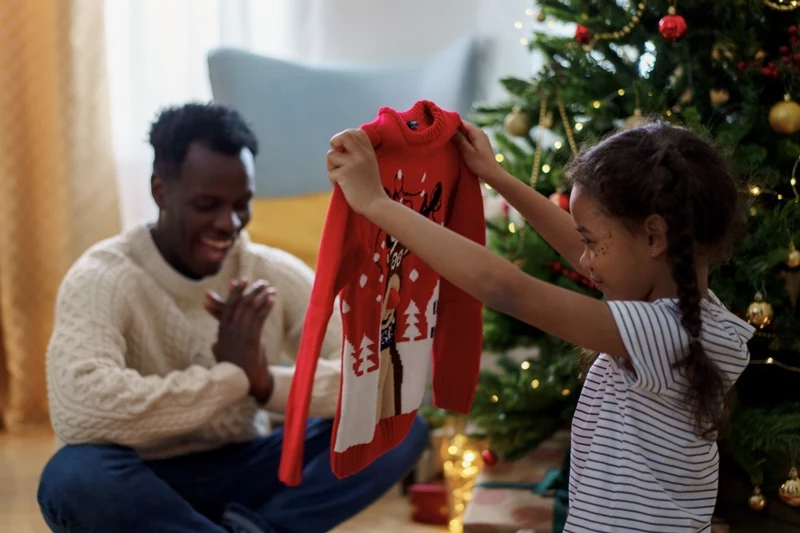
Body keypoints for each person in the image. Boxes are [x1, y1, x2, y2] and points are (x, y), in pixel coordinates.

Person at [326, 120, 754, 532]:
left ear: (655, 237)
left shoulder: (666, 332)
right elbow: (592, 250)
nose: (584, 259)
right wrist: (496, 177)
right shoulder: (688, 312)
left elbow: (505, 289)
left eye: (591, 242)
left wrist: (376, 204)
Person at [37, 102, 428, 533]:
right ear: (160, 190)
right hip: (141, 478)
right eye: (207, 204)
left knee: (399, 425)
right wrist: (233, 378)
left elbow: (377, 383)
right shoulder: (103, 277)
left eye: (242, 204)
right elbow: (80, 408)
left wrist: (264, 380)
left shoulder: (270, 273)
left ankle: (254, 529)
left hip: (245, 468)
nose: (230, 223)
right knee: (72, 477)